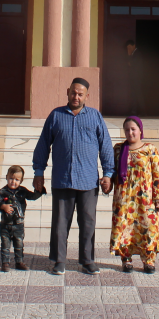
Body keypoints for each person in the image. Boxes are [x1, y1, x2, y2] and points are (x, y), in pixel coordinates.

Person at [32, 77, 115, 275]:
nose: (76, 97)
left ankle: (87, 261)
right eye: (73, 93)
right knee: (60, 223)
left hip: (88, 181)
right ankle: (59, 261)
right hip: (62, 179)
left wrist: (108, 173)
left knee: (88, 223)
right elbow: (43, 145)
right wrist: (38, 172)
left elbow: (105, 147)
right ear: (67, 91)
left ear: (87, 95)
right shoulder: (56, 115)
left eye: (80, 94)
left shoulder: (95, 116)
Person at [110, 116, 159, 274]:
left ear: (140, 130)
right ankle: (126, 260)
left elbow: (157, 174)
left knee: (148, 228)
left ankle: (149, 260)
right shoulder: (118, 149)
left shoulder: (150, 149)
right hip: (124, 199)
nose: (130, 132)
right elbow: (112, 172)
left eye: (133, 129)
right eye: (127, 130)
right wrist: (107, 184)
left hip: (144, 200)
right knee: (125, 228)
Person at [0, 164, 46, 272]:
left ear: (21, 181)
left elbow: (32, 196)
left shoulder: (22, 191)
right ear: (6, 178)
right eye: (11, 179)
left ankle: (19, 262)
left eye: (17, 179)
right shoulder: (2, 192)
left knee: (19, 244)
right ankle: (5, 263)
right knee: (5, 245)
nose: (13, 182)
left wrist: (39, 190)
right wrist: (3, 206)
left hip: (18, 224)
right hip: (5, 224)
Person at [126, 39, 143, 116]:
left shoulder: (137, 53)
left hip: (137, 78)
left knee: (138, 95)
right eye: (127, 48)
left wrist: (129, 55)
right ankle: (134, 111)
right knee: (135, 95)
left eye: (130, 47)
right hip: (134, 78)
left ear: (134, 46)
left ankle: (142, 112)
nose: (128, 50)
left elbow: (131, 64)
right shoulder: (134, 53)